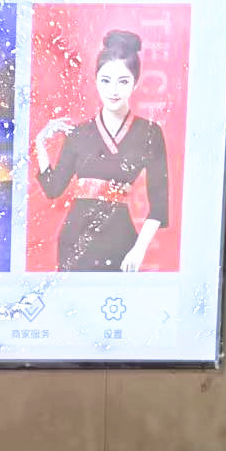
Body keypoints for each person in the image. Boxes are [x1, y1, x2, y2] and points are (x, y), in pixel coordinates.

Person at [33, 29, 170, 272]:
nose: (113, 90)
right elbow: (53, 189)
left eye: (123, 81)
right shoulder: (78, 133)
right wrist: (40, 145)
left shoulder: (149, 133)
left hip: (121, 242)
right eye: (106, 80)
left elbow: (159, 204)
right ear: (96, 80)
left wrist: (139, 249)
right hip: (75, 242)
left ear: (136, 83)